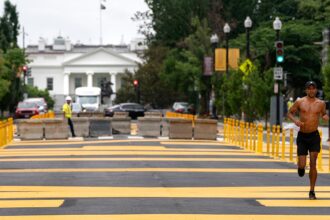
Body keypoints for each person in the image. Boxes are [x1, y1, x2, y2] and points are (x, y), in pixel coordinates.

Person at [287, 81, 329, 200]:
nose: (311, 90)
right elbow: (290, 113)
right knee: (302, 164)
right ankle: (300, 168)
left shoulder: (321, 103)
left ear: (316, 90)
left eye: (313, 88)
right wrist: (295, 121)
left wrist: (326, 117)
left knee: (313, 163)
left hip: (314, 136)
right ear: (306, 90)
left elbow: (324, 115)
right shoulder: (300, 102)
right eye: (309, 88)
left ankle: (312, 191)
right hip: (303, 136)